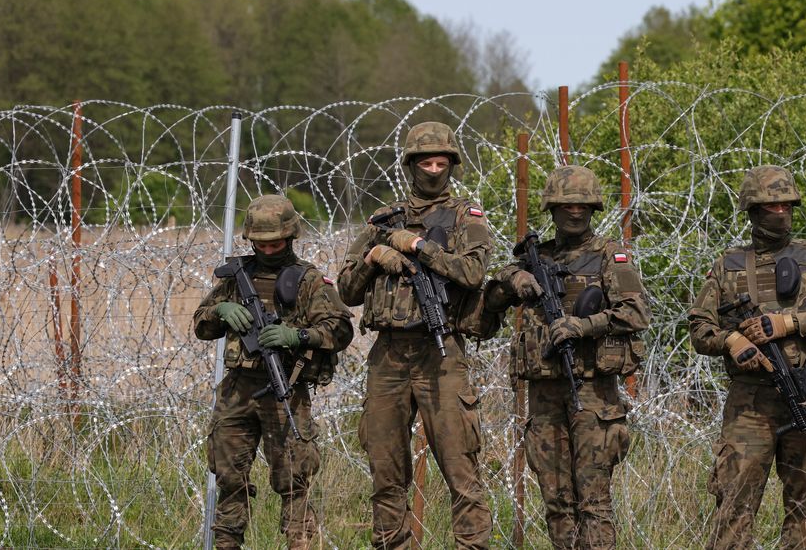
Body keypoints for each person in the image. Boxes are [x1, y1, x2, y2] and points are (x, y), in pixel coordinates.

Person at [336, 121, 495, 549]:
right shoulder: (382, 220)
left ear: (452, 163)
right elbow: (347, 291)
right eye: (426, 159)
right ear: (410, 163)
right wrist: (375, 255)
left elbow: (474, 273)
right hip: (389, 355)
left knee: (461, 471)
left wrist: (418, 247)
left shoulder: (466, 217)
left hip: (440, 354)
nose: (434, 166)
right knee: (386, 473)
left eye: (442, 160)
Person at [689, 165, 806, 550]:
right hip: (749, 404)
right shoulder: (728, 266)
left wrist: (790, 323)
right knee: (733, 505)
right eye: (772, 206)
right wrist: (733, 341)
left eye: (787, 205)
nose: (781, 212)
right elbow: (700, 327)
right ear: (752, 210)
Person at [483, 164, 649, 549]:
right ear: (552, 209)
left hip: (592, 392)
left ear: (593, 209)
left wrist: (583, 326)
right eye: (565, 206)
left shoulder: (609, 255)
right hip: (545, 393)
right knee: (556, 499)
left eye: (582, 206)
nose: (574, 212)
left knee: (593, 500)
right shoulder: (534, 258)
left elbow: (636, 312)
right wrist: (513, 279)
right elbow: (487, 305)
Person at [194, 194, 354, 550]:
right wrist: (220, 309)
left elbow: (340, 329)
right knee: (229, 474)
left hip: (285, 391)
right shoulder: (238, 276)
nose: (267, 250)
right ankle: (226, 544)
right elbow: (201, 326)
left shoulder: (308, 280)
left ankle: (300, 542)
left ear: (291, 236)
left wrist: (296, 335)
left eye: (276, 243)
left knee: (294, 478)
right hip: (238, 389)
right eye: (260, 243)